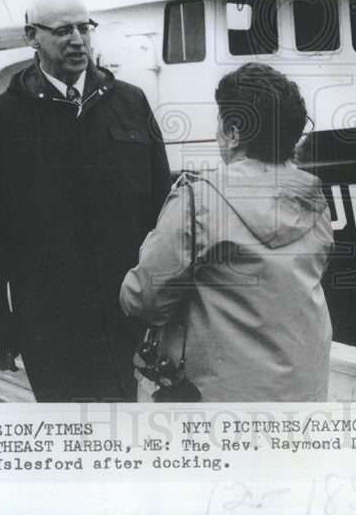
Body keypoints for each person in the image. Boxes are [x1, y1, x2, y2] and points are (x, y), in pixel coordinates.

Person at [0, 0, 171, 402]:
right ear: (33, 36)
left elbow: (161, 209)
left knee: (132, 435)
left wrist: (168, 304)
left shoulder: (130, 103)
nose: (78, 40)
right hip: (51, 325)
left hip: (128, 315)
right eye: (63, 31)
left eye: (84, 28)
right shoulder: (3, 119)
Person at [120, 63, 333, 402]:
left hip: (220, 405)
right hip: (304, 396)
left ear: (234, 132)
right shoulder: (312, 200)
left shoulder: (197, 201)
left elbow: (143, 300)